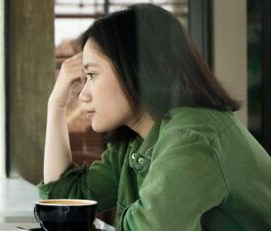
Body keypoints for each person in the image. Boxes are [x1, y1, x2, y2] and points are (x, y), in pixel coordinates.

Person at [38, 3, 271, 231]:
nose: (83, 95)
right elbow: (66, 202)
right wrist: (55, 105)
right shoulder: (135, 142)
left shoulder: (192, 138)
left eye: (92, 75)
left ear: (138, 67)